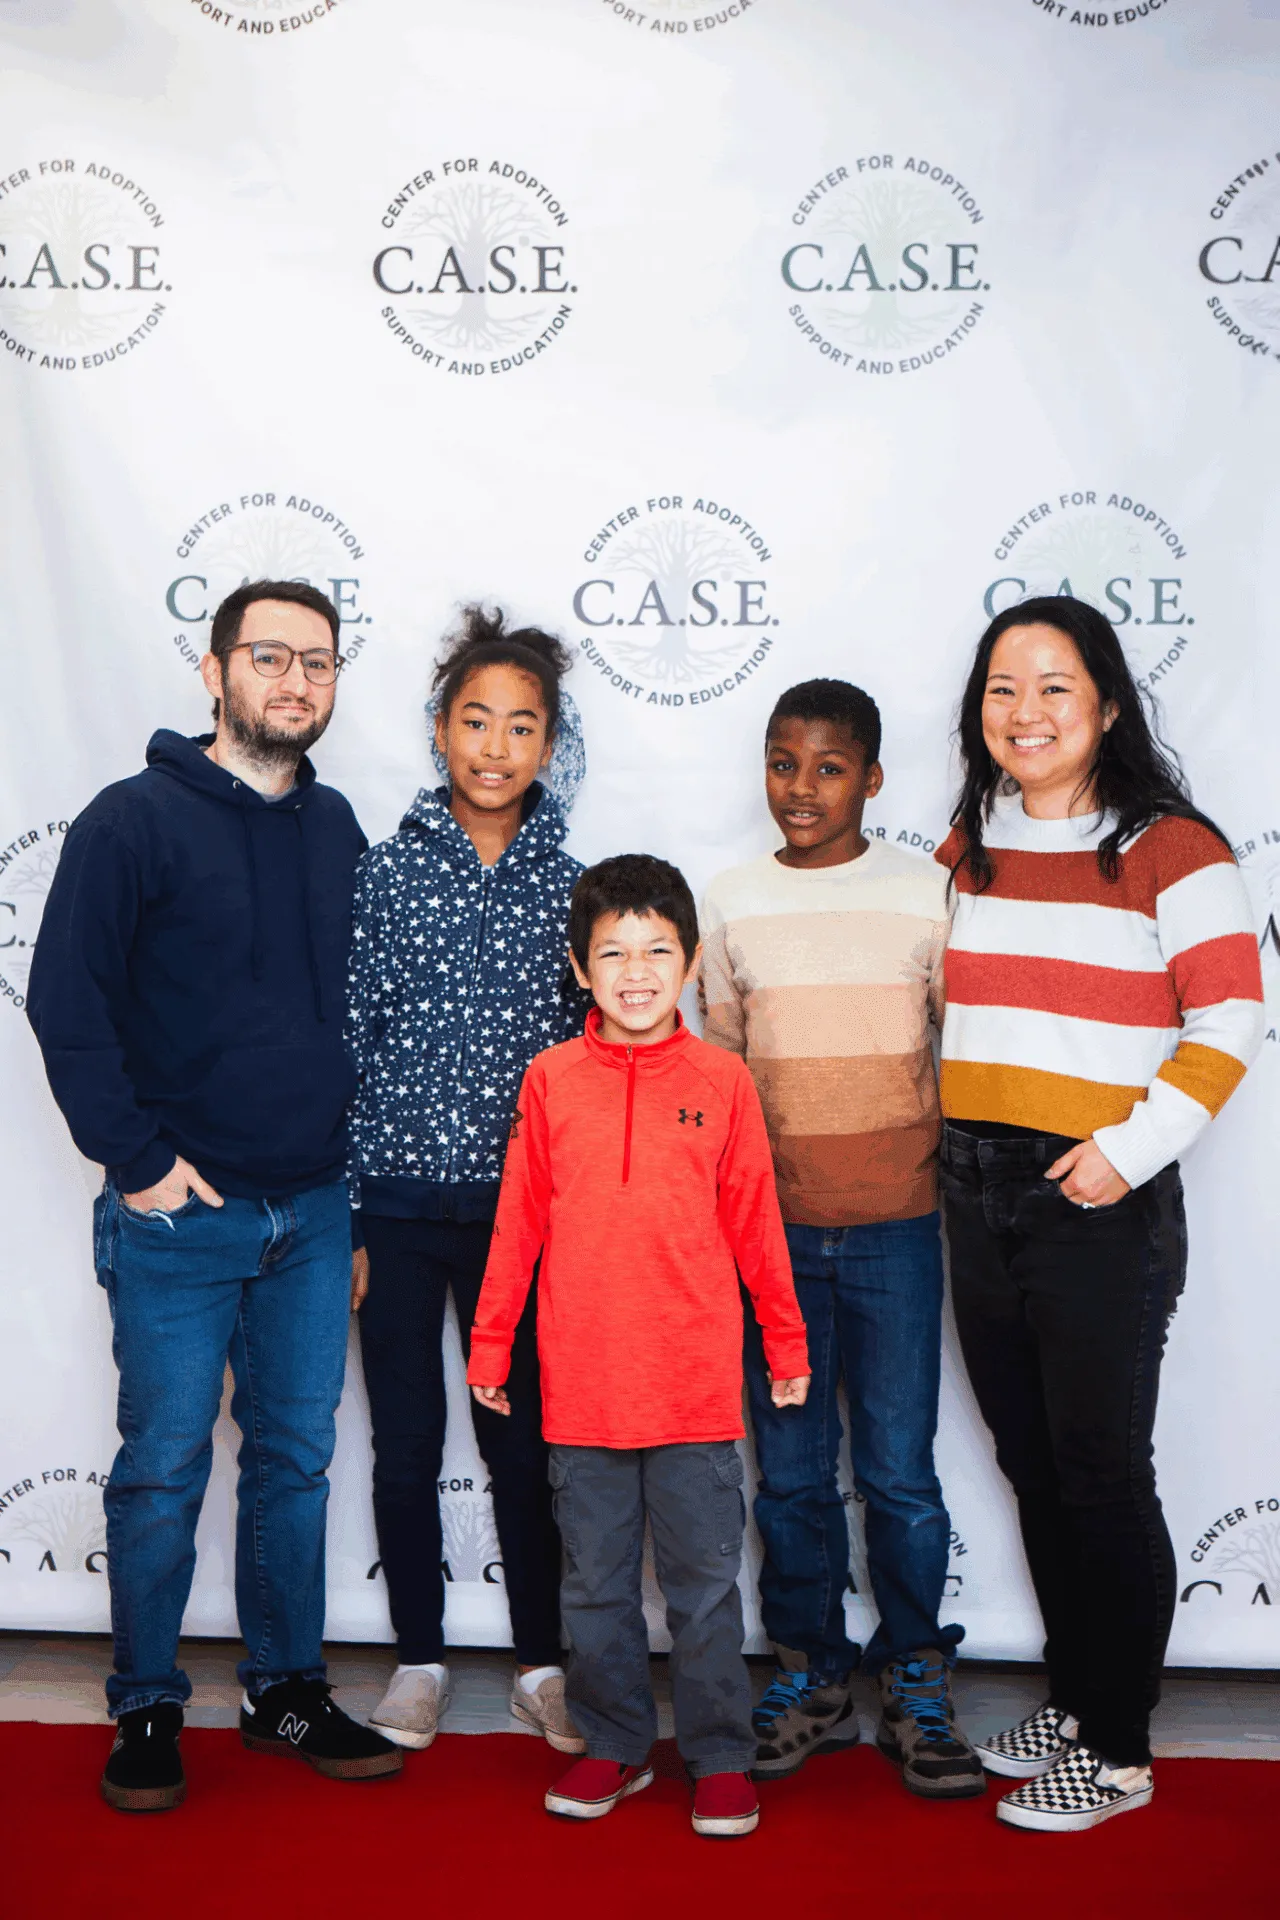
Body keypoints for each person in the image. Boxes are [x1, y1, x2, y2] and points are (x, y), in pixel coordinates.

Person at [27, 580, 401, 1813]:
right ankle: (145, 1704)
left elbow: (347, 1019)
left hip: (311, 1211)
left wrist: (342, 1185)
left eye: (319, 662)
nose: (296, 682)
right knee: (165, 1465)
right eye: (271, 657)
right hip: (176, 1215)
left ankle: (286, 1688)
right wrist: (134, 1160)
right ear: (213, 669)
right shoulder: (130, 822)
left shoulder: (338, 824)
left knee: (293, 1461)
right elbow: (66, 1005)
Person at [935, 596, 1264, 1833]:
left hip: (1093, 1200)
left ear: (1107, 705)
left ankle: (1117, 1751)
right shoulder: (968, 842)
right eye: (1002, 689)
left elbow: (1227, 1019)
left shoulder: (1173, 848)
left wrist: (1123, 1155)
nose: (1023, 714)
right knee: (1032, 1468)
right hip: (969, 1192)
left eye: (1053, 688)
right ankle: (1078, 1702)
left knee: (1099, 1474)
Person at [466, 855, 811, 1839]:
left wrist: (783, 1343)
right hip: (580, 1387)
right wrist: (491, 1347)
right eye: (611, 951)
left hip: (693, 1389)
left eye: (657, 949)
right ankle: (615, 1745)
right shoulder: (549, 1081)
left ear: (690, 962)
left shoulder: (722, 1081)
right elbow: (517, 1224)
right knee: (595, 1585)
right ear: (578, 968)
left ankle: (716, 1754)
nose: (634, 969)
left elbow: (754, 1223)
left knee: (703, 1587)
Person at [700, 679, 984, 1801]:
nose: (800, 788)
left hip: (897, 1236)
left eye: (827, 768)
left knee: (899, 1473)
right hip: (769, 1248)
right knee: (788, 1479)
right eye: (781, 763)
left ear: (870, 778)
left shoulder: (928, 896)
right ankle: (811, 1671)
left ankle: (914, 1674)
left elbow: (956, 1055)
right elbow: (719, 1076)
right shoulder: (727, 901)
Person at [348, 606, 589, 1754]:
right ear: (440, 729)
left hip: (520, 1223)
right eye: (475, 720)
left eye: (522, 726)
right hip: (393, 1209)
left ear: (551, 745)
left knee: (523, 1445)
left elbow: (593, 1067)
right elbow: (348, 1041)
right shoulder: (383, 876)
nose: (496, 746)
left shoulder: (577, 891)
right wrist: (345, 1208)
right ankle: (418, 1660)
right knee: (403, 1437)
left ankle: (542, 1663)